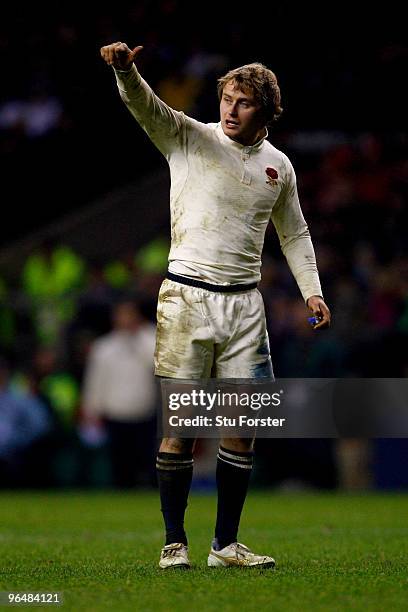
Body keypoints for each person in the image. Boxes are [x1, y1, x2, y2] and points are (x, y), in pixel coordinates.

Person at [100, 42, 331, 569]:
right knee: (181, 428)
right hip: (187, 299)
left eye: (243, 102)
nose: (229, 109)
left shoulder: (279, 168)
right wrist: (126, 71)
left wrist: (312, 290)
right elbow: (146, 107)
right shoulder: (189, 137)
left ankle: (224, 545)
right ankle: (173, 543)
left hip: (245, 308)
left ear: (266, 111)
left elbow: (294, 233)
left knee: (242, 430)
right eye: (227, 98)